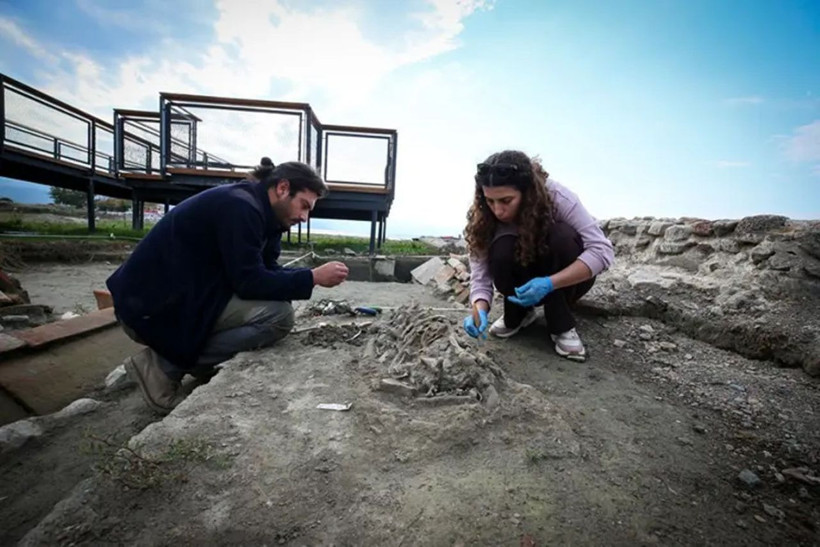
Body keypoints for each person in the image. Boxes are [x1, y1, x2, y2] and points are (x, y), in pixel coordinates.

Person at [107, 158, 350, 413]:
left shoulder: (266, 217)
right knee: (277, 316)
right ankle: (162, 366)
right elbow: (249, 282)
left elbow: (266, 270)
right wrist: (312, 277)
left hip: (181, 297)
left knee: (278, 302)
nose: (304, 216)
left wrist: (306, 277)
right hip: (150, 306)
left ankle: (190, 361)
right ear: (282, 188)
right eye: (303, 206)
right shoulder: (240, 208)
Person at [461, 150, 614, 361]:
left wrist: (550, 283)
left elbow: (602, 251)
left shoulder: (558, 197)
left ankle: (560, 324)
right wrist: (479, 308)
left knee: (562, 236)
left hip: (565, 279)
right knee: (501, 248)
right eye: (490, 201)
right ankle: (519, 314)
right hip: (519, 279)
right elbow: (480, 272)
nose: (498, 211)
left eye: (506, 200)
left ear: (527, 192)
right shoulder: (485, 217)